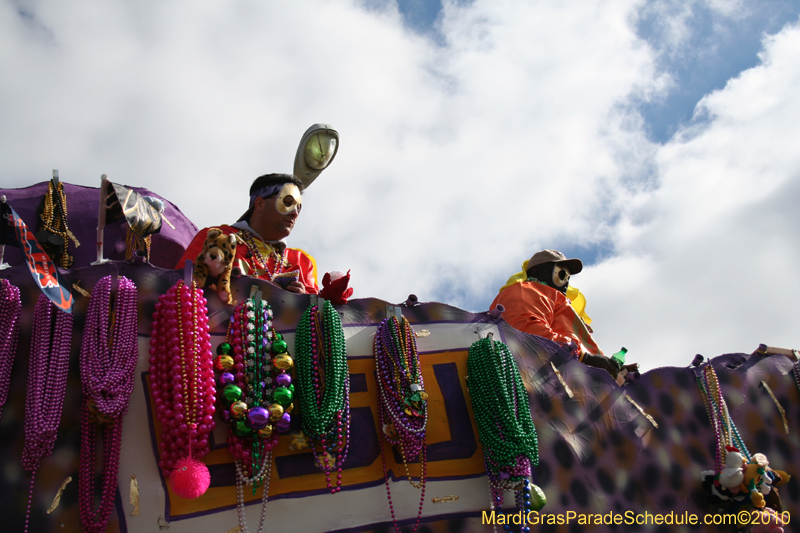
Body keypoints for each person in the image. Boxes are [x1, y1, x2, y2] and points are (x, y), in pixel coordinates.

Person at [491, 249, 625, 378]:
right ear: (537, 272)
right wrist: (584, 358)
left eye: (568, 277)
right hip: (532, 377)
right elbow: (529, 335)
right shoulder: (525, 291)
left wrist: (617, 374)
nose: (566, 282)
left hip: (563, 379)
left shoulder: (550, 297)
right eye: (561, 274)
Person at [177, 173, 318, 294]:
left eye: (298, 209)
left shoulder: (301, 262)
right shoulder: (217, 238)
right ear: (260, 203)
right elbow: (181, 286)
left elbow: (319, 311)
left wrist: (302, 299)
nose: (294, 213)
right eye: (287, 203)